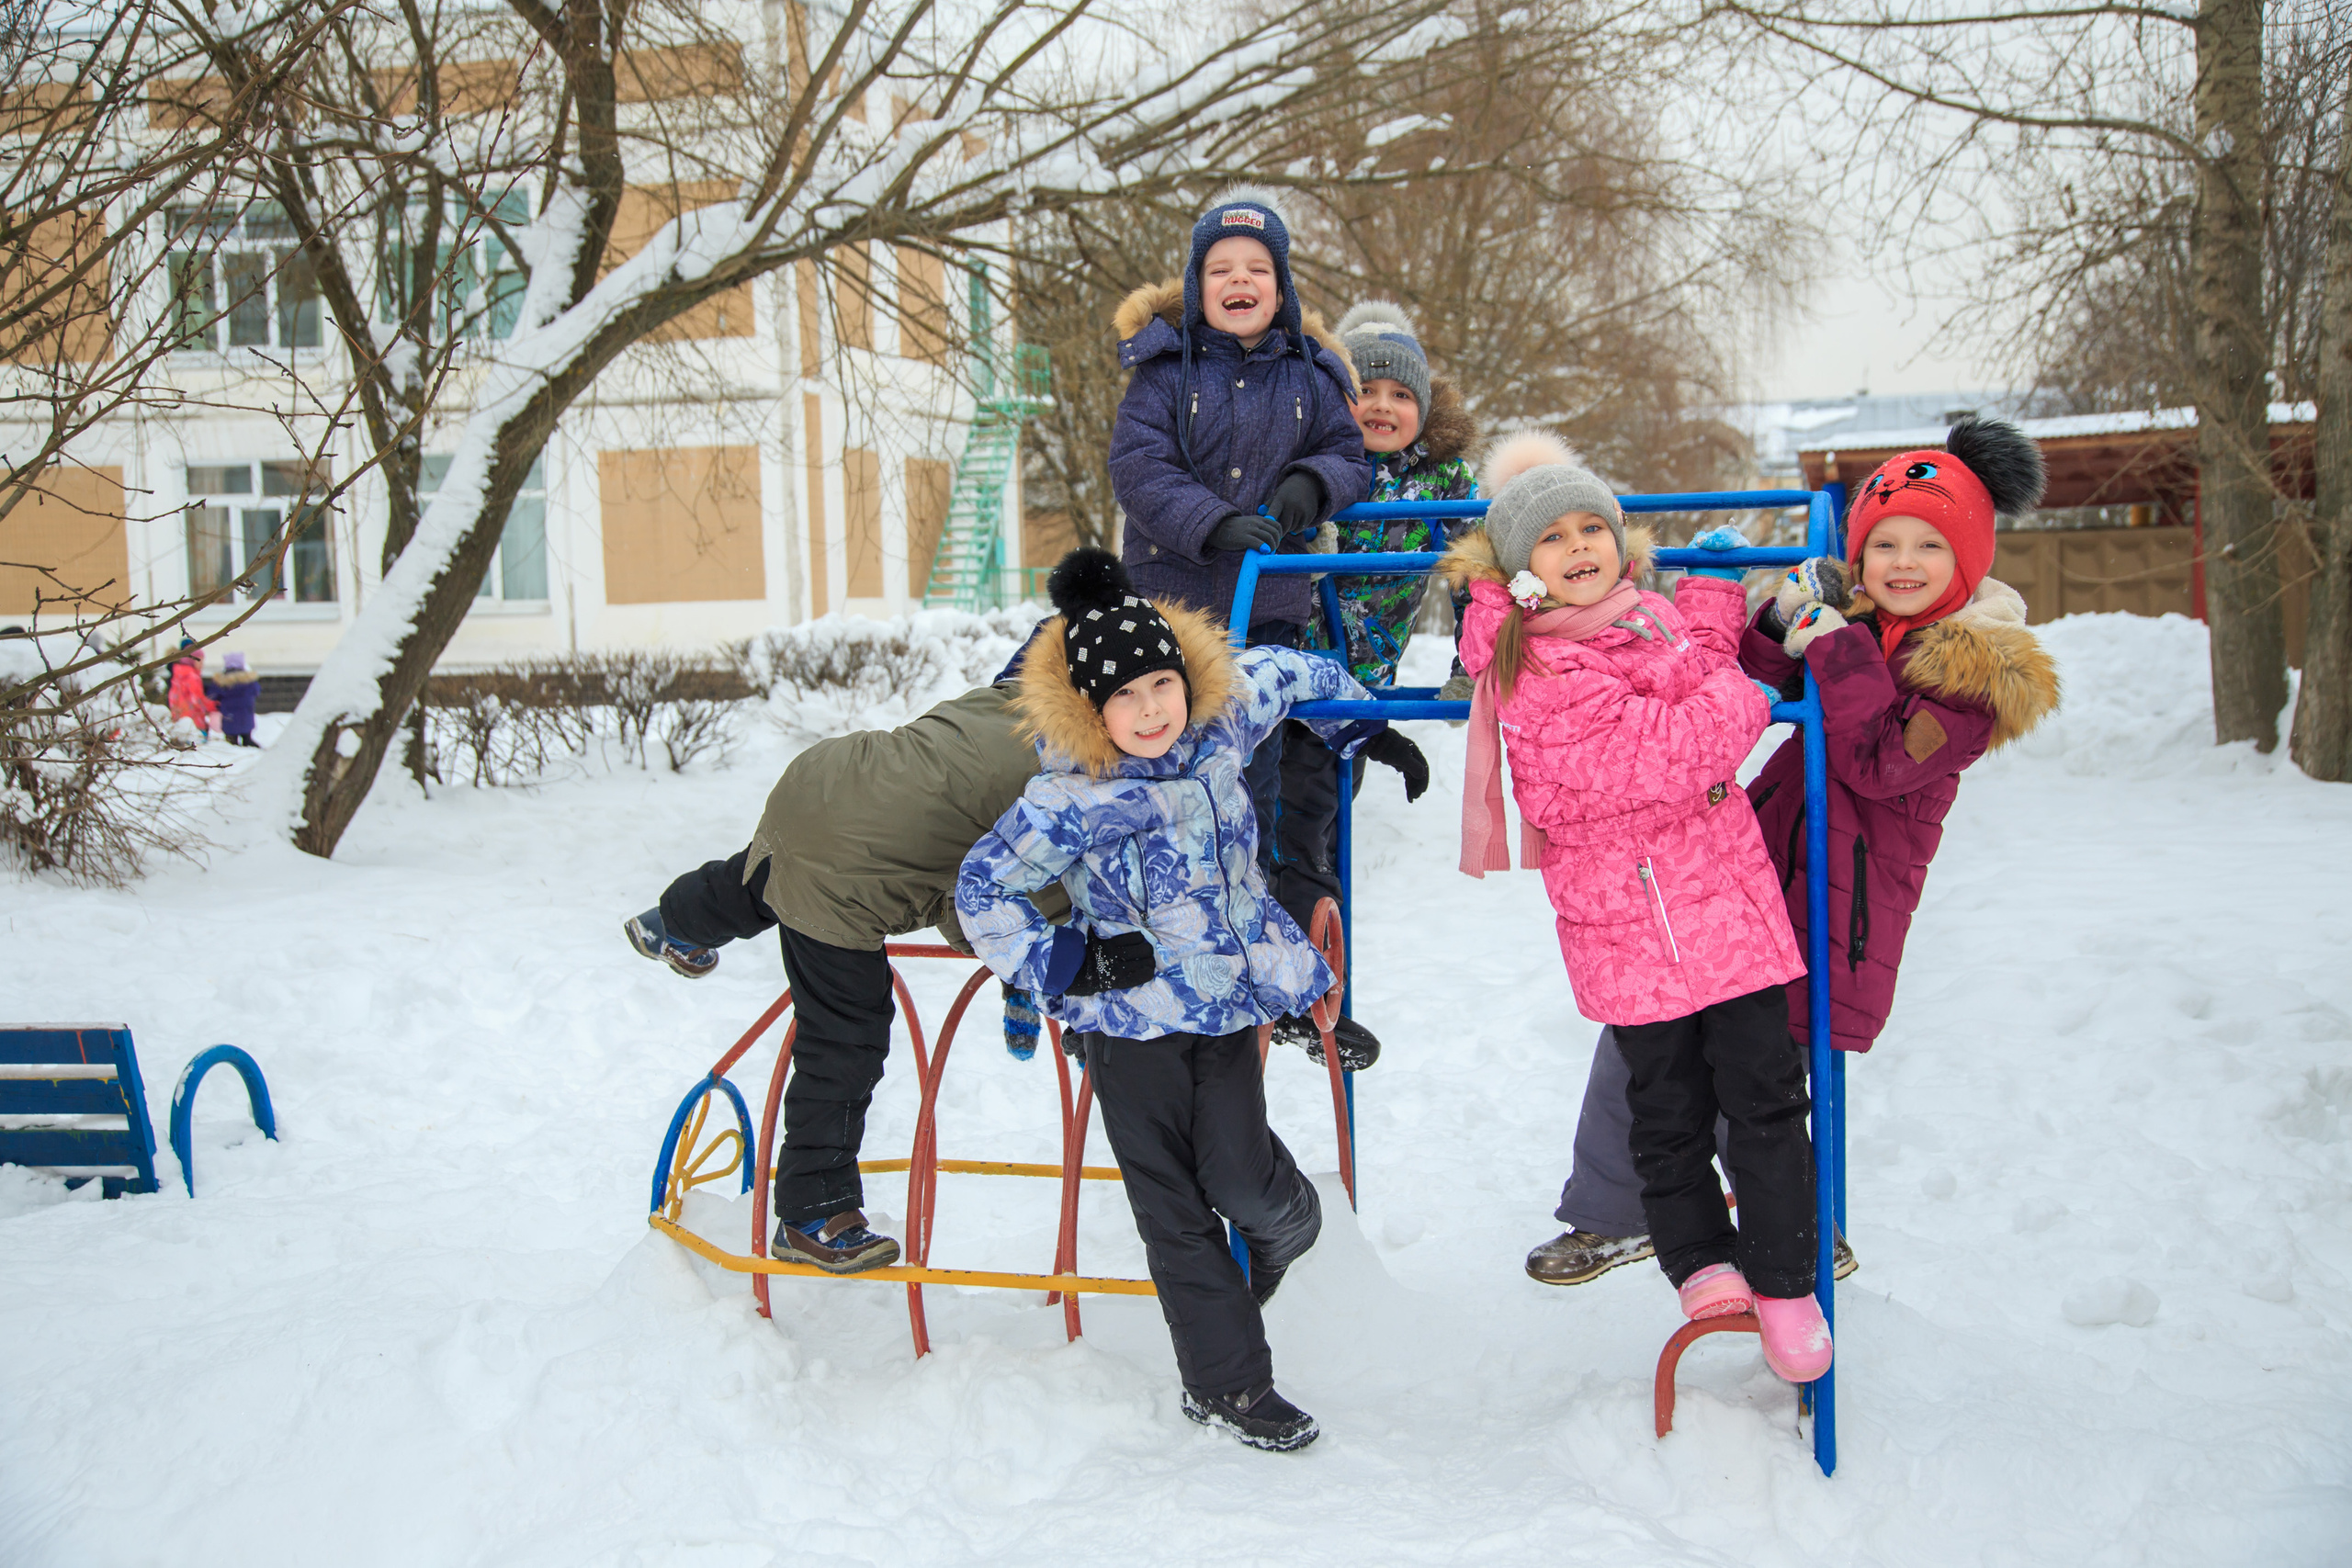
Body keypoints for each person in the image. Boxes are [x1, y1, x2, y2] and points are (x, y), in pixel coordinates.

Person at [1527, 418, 2061, 1292]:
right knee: (1648, 1030)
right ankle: (1614, 1213)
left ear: (1966, 560)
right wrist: (1779, 622)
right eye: (1883, 541)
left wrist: (1837, 645)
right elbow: (1754, 680)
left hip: (1842, 902)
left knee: (1764, 1064)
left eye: (1929, 545)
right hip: (1750, 871)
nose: (1901, 561)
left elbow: (1879, 760)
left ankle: (1807, 1233)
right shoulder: (1858, 620)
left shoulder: (1977, 673)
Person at [956, 547, 1383, 1453]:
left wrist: (1364, 728)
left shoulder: (1221, 730)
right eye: (1124, 697)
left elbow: (1293, 671)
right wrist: (1069, 962)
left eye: (1161, 683)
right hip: (1128, 1028)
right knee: (1174, 1216)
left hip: (1225, 1009)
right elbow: (981, 893)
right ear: (1090, 709)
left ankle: (1288, 1228)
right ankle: (1229, 1387)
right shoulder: (1066, 798)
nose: (1150, 708)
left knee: (1239, 1177)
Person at [1444, 434, 1831, 1384]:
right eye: (1551, 538)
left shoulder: (1647, 622)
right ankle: (1701, 1268)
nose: (1579, 547)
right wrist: (1736, 688)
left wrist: (1707, 607)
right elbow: (1667, 746)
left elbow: (1687, 666)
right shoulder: (1530, 667)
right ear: (1520, 571)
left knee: (1771, 1103)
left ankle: (1786, 1285)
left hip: (1727, 912)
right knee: (1666, 1116)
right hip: (1628, 933)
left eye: (1593, 528)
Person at [621, 667, 1074, 1274]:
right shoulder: (1065, 791)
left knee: (768, 874)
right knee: (846, 1036)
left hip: (829, 777)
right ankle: (813, 1211)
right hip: (850, 867)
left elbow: (951, 829)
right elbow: (1004, 911)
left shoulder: (1023, 697)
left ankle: (671, 920)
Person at [1106, 186, 1418, 1070]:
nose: (1239, 281)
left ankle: (1276, 981)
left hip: (1267, 614)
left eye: (1257, 269)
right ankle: (1143, 974)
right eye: (1221, 269)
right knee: (1166, 792)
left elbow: (1351, 455)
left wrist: (1310, 486)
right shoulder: (1164, 373)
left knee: (1259, 800)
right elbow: (1139, 468)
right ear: (1197, 283)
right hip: (1171, 618)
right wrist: (1208, 520)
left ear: (1280, 284)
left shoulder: (1312, 374)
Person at [205, 651, 261, 748]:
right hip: (246, 718)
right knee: (247, 738)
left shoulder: (222, 682)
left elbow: (212, 695)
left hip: (229, 718)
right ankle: (250, 744)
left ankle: (233, 749)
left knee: (231, 744)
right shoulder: (249, 681)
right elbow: (256, 691)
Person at [165, 637, 217, 740]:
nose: (202, 664)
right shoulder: (191, 676)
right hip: (193, 718)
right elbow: (196, 699)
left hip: (180, 717)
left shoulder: (179, 673)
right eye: (199, 660)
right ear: (191, 660)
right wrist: (213, 706)